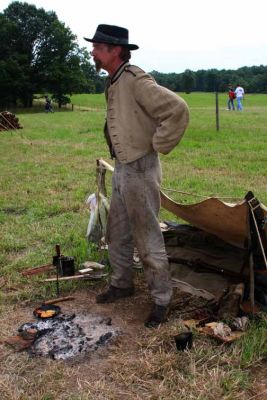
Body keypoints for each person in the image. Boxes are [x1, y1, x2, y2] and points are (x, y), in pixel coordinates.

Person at [84, 24, 189, 328]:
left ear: (116, 50)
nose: (93, 51)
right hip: (123, 167)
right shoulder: (114, 80)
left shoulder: (135, 79)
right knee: (117, 231)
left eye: (98, 47)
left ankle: (161, 299)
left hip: (141, 168)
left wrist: (157, 146)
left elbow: (177, 109)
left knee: (147, 236)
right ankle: (121, 283)